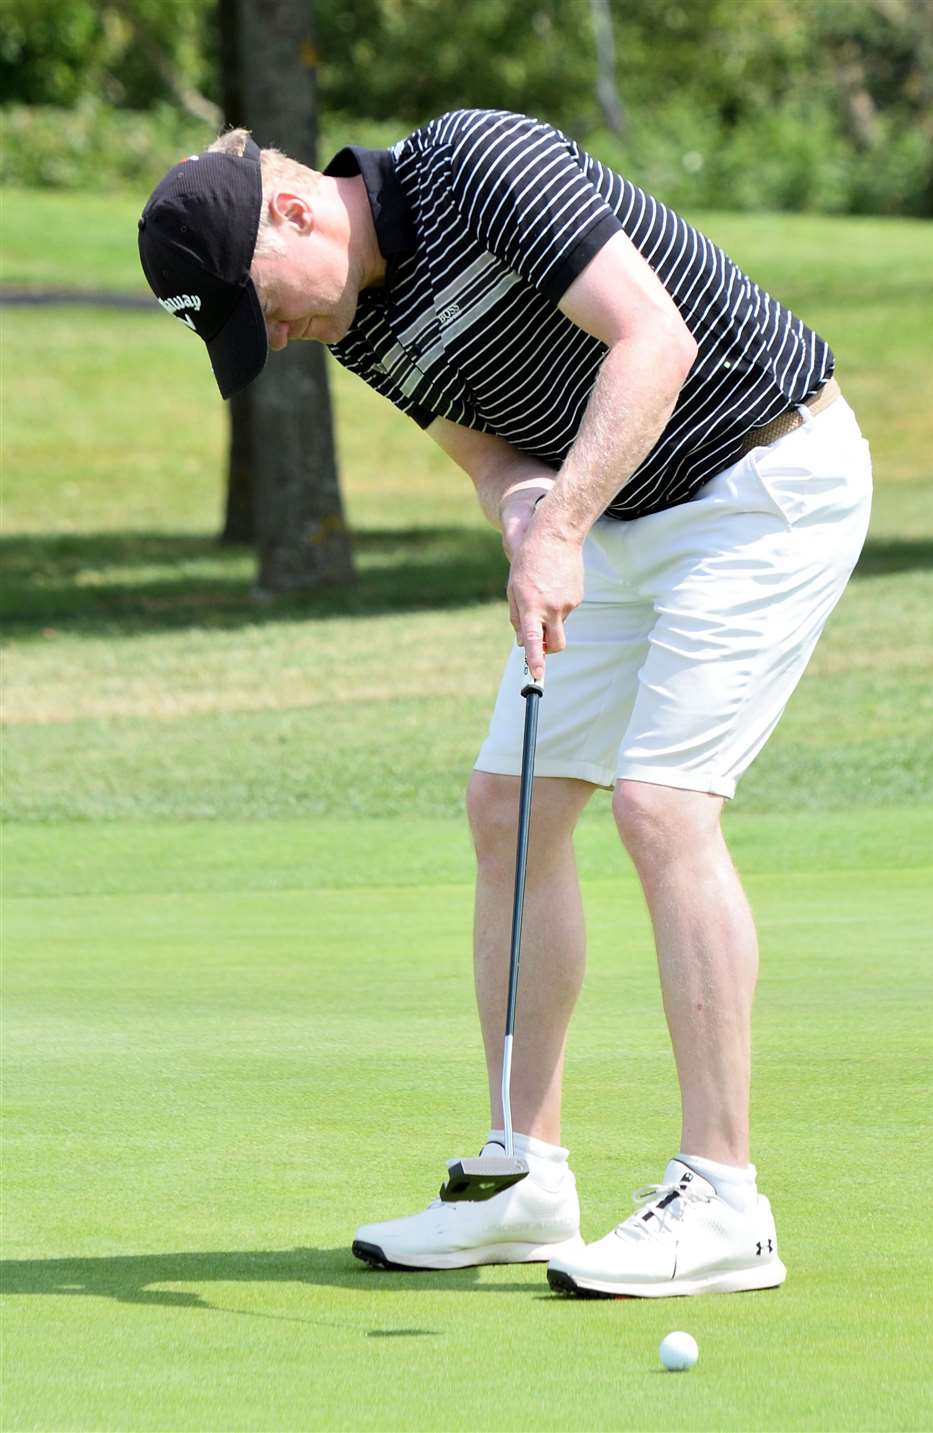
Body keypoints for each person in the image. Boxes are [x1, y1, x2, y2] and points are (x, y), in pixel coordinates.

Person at [138, 109, 871, 1299]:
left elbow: (655, 341)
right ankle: (526, 1176)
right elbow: (488, 454)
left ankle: (728, 1198)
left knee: (661, 804)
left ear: (295, 210)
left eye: (260, 305)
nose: (273, 336)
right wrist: (527, 513)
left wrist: (565, 524)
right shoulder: (352, 317)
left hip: (763, 474)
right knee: (509, 804)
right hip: (627, 504)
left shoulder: (479, 162)